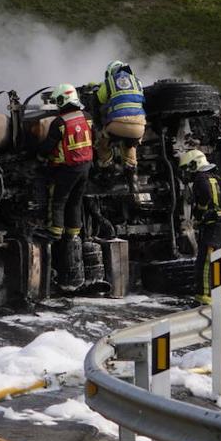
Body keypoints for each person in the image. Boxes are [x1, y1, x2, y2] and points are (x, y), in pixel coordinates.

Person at [37, 83, 93, 291]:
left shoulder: (59, 122)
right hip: (86, 166)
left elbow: (48, 146)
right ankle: (73, 233)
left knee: (58, 199)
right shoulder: (87, 116)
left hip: (66, 169)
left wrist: (39, 156)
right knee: (75, 202)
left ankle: (54, 234)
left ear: (61, 100)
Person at [177, 149, 221, 304]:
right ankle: (214, 296)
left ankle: (205, 297)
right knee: (213, 261)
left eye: (187, 168)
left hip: (215, 226)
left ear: (194, 164)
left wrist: (200, 212)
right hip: (220, 226)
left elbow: (206, 198)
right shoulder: (215, 177)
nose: (186, 173)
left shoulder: (201, 179)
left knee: (206, 263)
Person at [94, 60, 145, 191]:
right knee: (130, 145)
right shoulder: (138, 81)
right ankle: (133, 180)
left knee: (102, 143)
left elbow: (100, 99)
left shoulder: (109, 82)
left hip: (118, 126)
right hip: (139, 128)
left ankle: (107, 171)